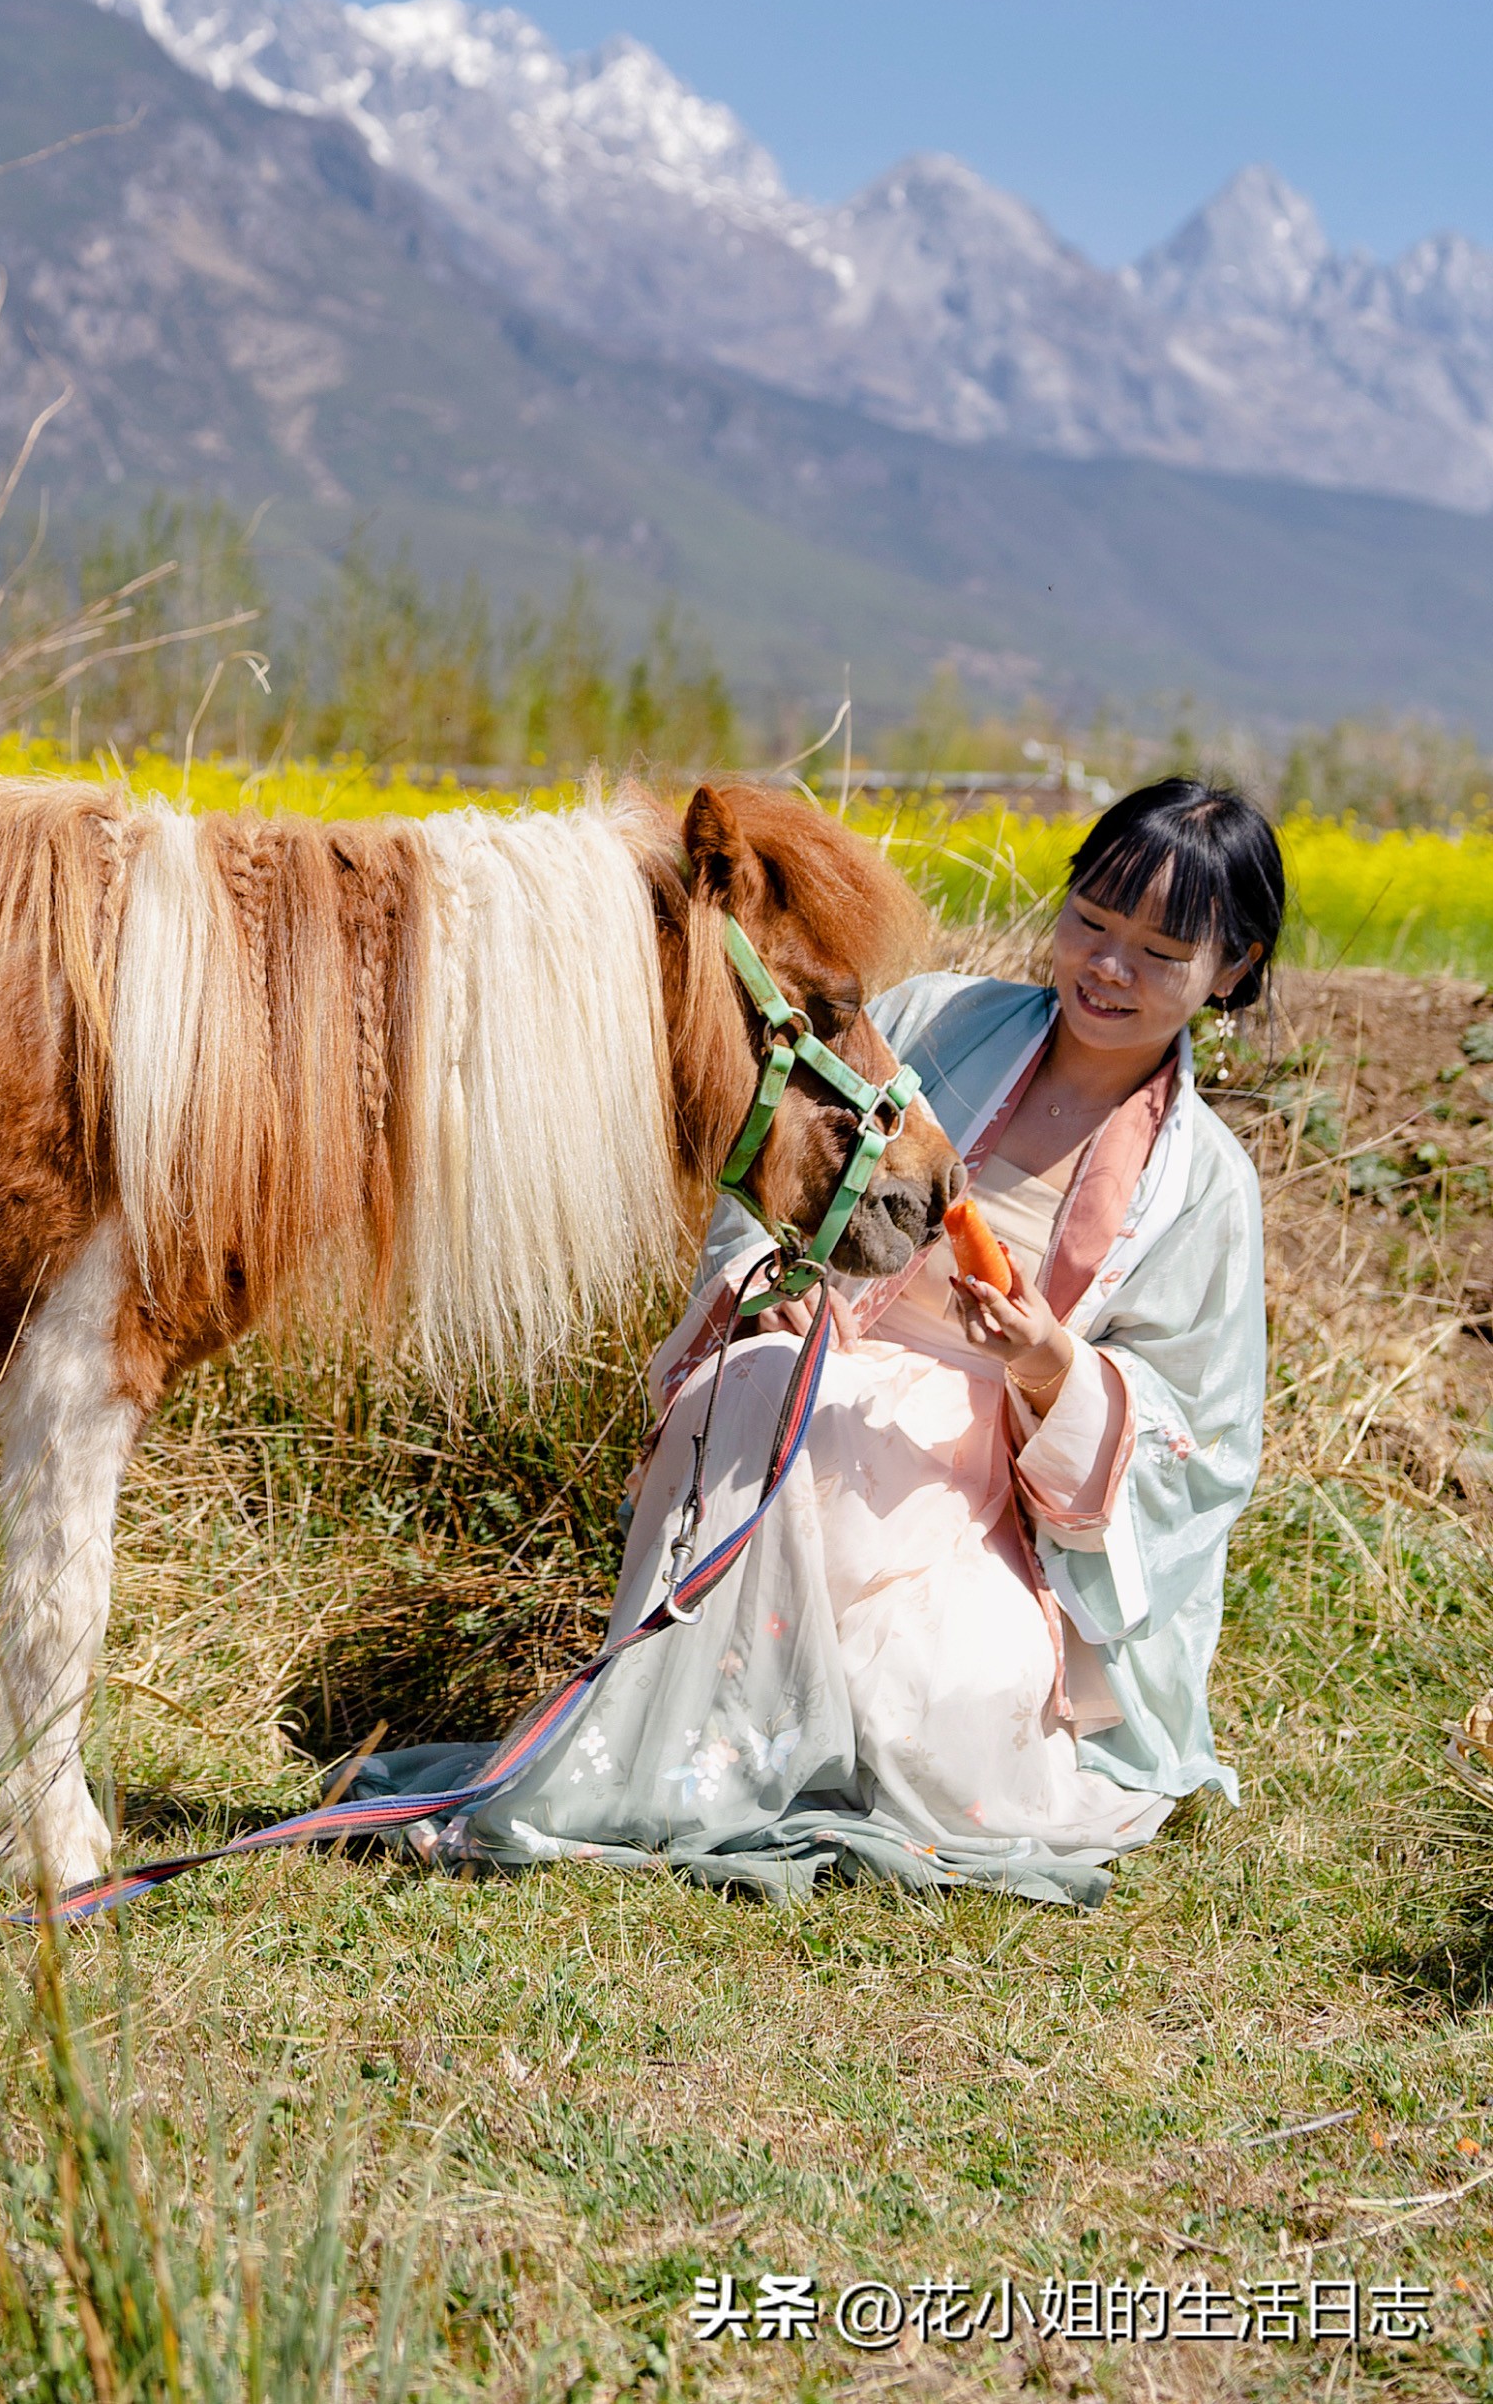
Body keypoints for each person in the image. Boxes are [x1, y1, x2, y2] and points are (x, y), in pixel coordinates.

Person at [352, 776, 1279, 1905]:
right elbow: (769, 1162)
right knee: (738, 1396)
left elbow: (1202, 1445)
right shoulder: (936, 1019)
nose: (1106, 967)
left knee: (932, 1701)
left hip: (982, 1485)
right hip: (826, 1378)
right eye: (1090, 919)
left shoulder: (1202, 1188)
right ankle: (684, 1745)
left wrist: (1048, 1362)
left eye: (1157, 951)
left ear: (1228, 970)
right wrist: (766, 1285)